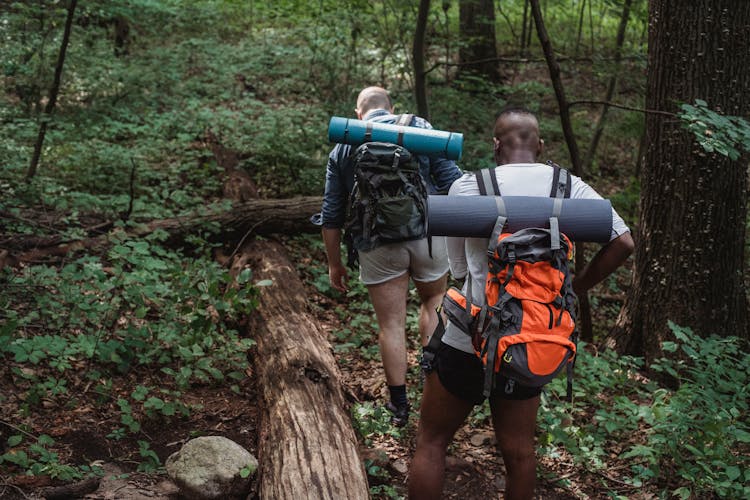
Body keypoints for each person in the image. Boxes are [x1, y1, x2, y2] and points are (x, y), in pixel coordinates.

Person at [408, 107, 634, 498]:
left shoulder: (469, 186)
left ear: (496, 146)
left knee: (432, 443)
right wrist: (576, 287)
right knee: (520, 455)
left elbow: (460, 270)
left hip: (468, 338)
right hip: (528, 340)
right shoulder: (568, 186)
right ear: (540, 144)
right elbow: (624, 241)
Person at [320, 86, 463, 426]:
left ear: (358, 114)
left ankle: (399, 407)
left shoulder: (345, 143)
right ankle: (434, 384)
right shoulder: (420, 129)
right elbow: (452, 181)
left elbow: (332, 212)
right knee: (434, 301)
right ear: (392, 107)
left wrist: (334, 262)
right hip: (427, 235)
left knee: (391, 323)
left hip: (376, 241)